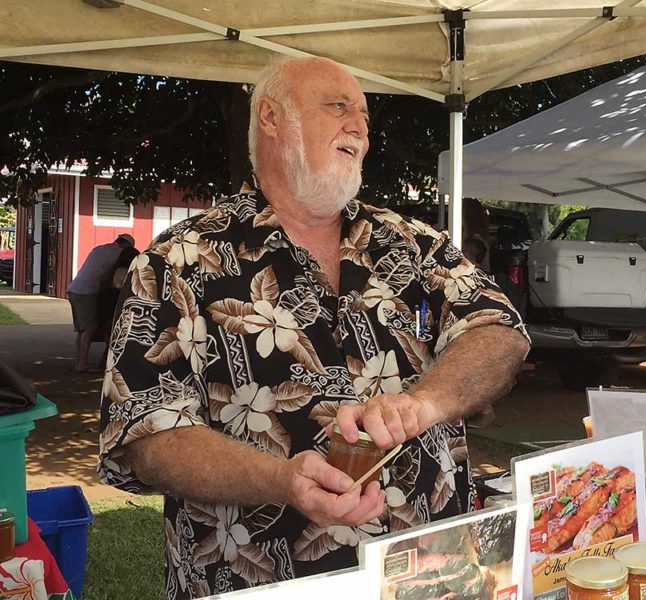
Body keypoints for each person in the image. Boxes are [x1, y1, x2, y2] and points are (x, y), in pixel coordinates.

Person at [98, 56, 530, 598]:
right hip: (255, 581)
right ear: (273, 118)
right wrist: (281, 480)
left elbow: (499, 329)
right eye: (338, 106)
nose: (360, 128)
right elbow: (147, 436)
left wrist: (427, 403)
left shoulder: (412, 244)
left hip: (432, 576)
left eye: (366, 117)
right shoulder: (176, 264)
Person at [67, 233, 136, 372]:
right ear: (127, 245)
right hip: (87, 291)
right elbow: (110, 277)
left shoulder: (100, 248)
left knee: (81, 330)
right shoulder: (118, 254)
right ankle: (82, 365)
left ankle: (79, 362)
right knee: (89, 329)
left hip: (74, 288)